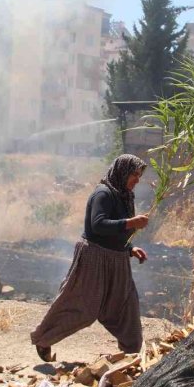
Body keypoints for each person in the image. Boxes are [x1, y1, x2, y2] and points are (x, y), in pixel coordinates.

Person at [31, 154, 149, 361]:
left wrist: (130, 249)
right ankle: (44, 339)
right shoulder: (103, 194)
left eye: (139, 175)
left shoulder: (125, 196)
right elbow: (98, 225)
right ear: (122, 173)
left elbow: (117, 232)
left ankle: (131, 355)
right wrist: (130, 223)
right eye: (134, 175)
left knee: (125, 306)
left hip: (117, 260)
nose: (137, 180)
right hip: (94, 258)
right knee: (81, 307)